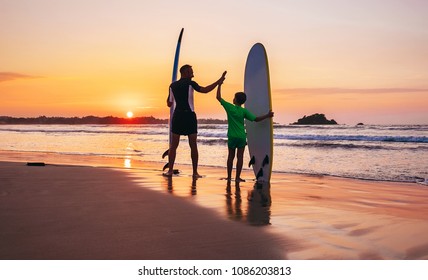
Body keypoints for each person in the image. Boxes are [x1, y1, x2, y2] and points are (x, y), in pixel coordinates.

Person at [164, 64, 227, 178]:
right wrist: (218, 82)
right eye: (190, 71)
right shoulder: (191, 83)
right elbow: (205, 90)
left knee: (174, 145)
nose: (192, 73)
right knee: (193, 145)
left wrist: (172, 96)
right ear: (184, 73)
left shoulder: (172, 85)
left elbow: (169, 103)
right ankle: (195, 172)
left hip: (177, 116)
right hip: (189, 116)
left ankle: (170, 171)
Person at [216, 80, 273, 182]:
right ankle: (237, 177)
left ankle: (229, 177)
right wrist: (267, 115)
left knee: (230, 157)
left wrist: (219, 85)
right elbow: (256, 119)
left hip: (232, 136)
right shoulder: (244, 111)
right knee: (240, 157)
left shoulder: (230, 108)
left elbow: (218, 97)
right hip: (242, 137)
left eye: (234, 97)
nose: (233, 99)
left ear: (235, 100)